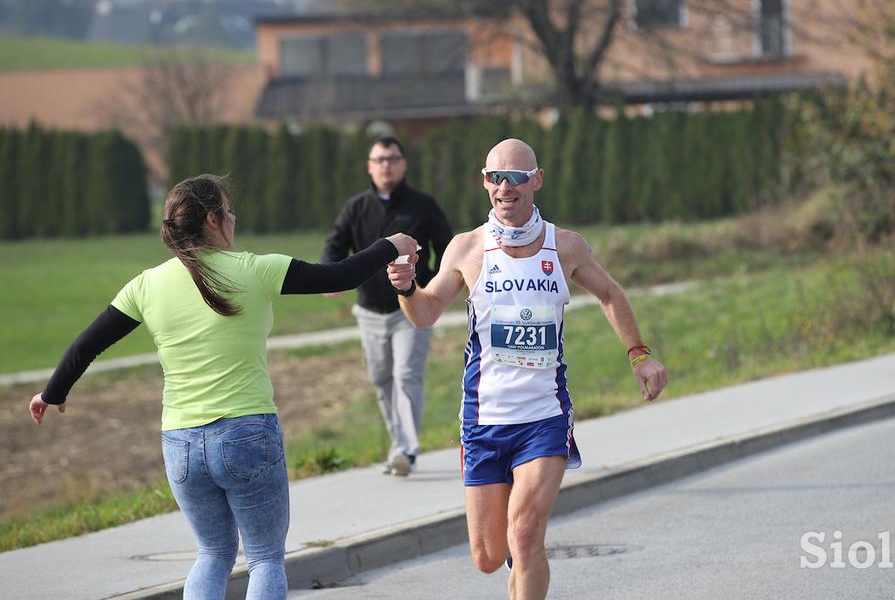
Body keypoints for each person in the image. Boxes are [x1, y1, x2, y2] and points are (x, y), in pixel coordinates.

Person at [29, 174, 417, 600]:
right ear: (212, 219)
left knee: (212, 553)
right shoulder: (256, 268)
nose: (234, 218)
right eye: (228, 211)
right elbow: (338, 276)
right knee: (265, 557)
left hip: (180, 445)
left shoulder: (146, 284)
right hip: (246, 434)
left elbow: (86, 345)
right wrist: (391, 245)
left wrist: (53, 393)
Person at [386, 138, 669, 599]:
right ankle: (522, 562)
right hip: (483, 419)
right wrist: (405, 286)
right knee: (488, 556)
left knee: (525, 532)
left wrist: (639, 354)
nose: (506, 187)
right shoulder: (467, 248)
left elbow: (610, 293)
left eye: (516, 177)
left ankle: (528, 555)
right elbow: (425, 312)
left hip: (543, 415)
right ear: (484, 183)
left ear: (536, 180)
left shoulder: (566, 247)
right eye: (496, 177)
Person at [322, 136, 452, 477]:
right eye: (379, 160)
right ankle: (398, 444)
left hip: (411, 307)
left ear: (403, 163)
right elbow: (335, 245)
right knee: (381, 378)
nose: (386, 165)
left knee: (407, 375)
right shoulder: (356, 208)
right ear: (369, 166)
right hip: (369, 311)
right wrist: (329, 280)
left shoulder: (423, 206)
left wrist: (436, 286)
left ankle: (405, 451)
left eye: (392, 159)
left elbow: (447, 248)